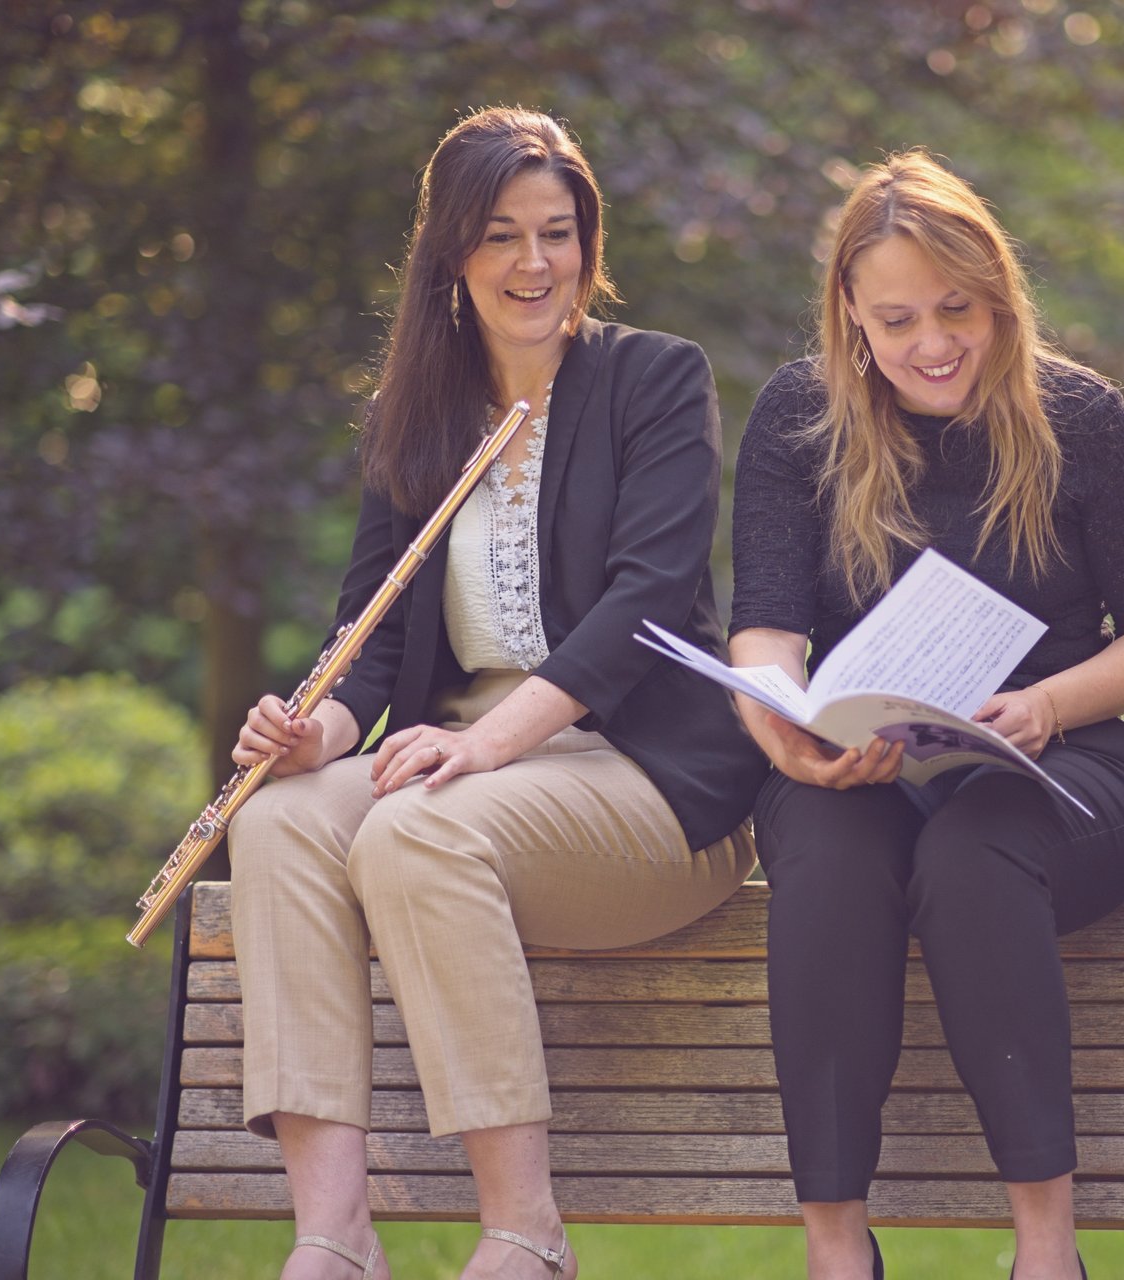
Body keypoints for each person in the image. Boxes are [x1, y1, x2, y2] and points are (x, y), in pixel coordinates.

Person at [225, 106, 767, 1280]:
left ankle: (526, 1230)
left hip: (647, 782)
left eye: (558, 233)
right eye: (502, 236)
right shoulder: (413, 418)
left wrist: (490, 745)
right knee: (270, 820)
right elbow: (365, 639)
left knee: (418, 829)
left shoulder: (654, 380)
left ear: (586, 241)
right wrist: (310, 727)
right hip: (457, 769)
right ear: (452, 257)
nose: (534, 265)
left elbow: (650, 598)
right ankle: (334, 1233)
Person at [729, 151, 1124, 1280]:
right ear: (849, 309)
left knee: (976, 846)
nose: (931, 342)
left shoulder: (1081, 418)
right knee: (832, 860)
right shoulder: (799, 416)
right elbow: (766, 625)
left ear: (999, 297)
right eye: (896, 318)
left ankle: (1046, 1246)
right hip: (863, 761)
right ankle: (837, 1248)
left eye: (957, 310)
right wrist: (784, 727)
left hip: (1063, 765)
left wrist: (1042, 703)